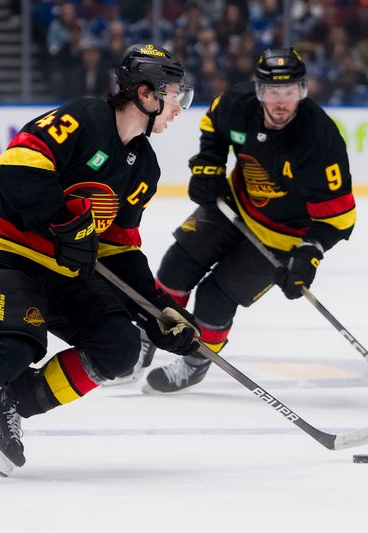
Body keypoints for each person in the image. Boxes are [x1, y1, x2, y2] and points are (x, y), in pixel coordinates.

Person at [0, 43, 199, 487]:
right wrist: (67, 221)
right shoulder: (81, 118)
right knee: (10, 347)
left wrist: (157, 312)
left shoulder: (144, 168)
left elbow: (118, 249)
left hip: (62, 271)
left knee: (119, 346)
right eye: (175, 94)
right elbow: (16, 167)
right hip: (9, 252)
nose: (180, 107)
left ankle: (10, 402)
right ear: (144, 93)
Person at [139, 47, 356, 394]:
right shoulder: (237, 104)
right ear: (259, 91)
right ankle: (149, 336)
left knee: (214, 297)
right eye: (273, 92)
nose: (281, 102)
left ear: (302, 91)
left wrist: (308, 254)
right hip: (233, 206)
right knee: (176, 268)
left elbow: (339, 219)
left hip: (282, 236)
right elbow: (213, 124)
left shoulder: (320, 140)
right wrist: (209, 165)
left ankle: (196, 360)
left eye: (289, 92)